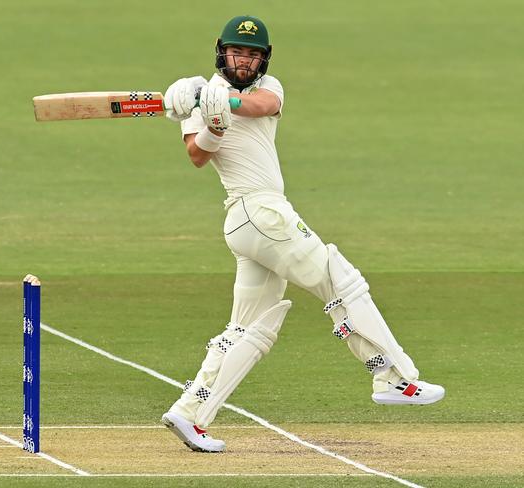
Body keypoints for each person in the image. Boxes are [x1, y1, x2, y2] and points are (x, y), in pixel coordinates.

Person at [160, 15, 445, 453]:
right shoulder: (195, 99)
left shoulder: (267, 88)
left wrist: (221, 103)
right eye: (238, 51)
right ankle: (393, 377)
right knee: (339, 276)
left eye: (253, 54)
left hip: (253, 221)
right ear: (222, 51)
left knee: (252, 327)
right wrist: (213, 125)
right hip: (256, 210)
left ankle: (189, 412)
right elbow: (197, 156)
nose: (245, 60)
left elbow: (260, 107)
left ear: (263, 60)